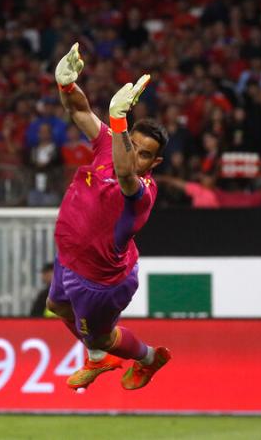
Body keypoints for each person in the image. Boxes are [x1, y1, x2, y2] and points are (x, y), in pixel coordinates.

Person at [47, 43, 171, 391]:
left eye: (146, 155)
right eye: (133, 145)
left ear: (154, 164)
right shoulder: (108, 143)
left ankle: (148, 358)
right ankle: (100, 359)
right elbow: (80, 112)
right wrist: (67, 85)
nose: (137, 157)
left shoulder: (142, 192)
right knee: (55, 305)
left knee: (102, 338)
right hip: (70, 258)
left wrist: (118, 121)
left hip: (99, 280)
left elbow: (125, 172)